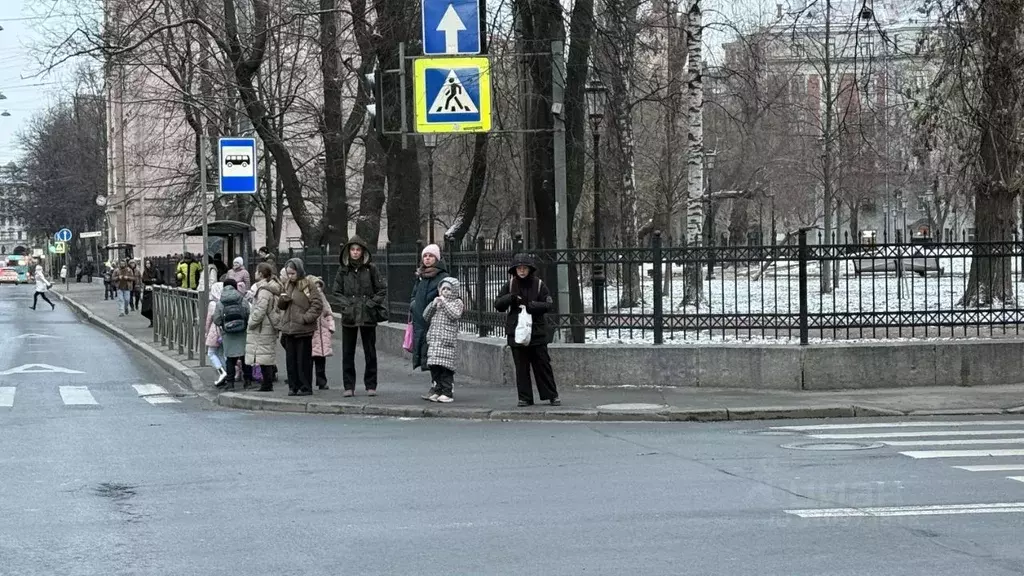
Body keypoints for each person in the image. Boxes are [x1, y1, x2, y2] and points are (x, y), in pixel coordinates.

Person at [493, 253, 560, 407]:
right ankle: (525, 397)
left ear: (530, 269)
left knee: (542, 365)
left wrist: (533, 306)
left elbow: (549, 304)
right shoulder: (510, 285)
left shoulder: (539, 284)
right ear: (514, 270)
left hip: (536, 331)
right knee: (521, 368)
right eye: (519, 268)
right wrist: (510, 298)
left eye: (524, 268)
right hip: (516, 332)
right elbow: (498, 305)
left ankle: (551, 395)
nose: (522, 271)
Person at [332, 236, 388, 397]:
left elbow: (381, 290)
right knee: (347, 352)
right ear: (348, 251)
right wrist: (347, 305)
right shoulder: (343, 270)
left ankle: (371, 385)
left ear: (362, 251)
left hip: (367, 315)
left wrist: (370, 304)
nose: (355, 253)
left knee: (370, 351)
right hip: (349, 316)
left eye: (358, 250)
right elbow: (336, 291)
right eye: (353, 249)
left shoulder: (371, 269)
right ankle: (348, 386)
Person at [277, 258, 323, 396]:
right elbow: (281, 306)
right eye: (288, 273)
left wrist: (305, 318)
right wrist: (282, 301)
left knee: (303, 361)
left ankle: (305, 386)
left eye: (292, 273)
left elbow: (317, 305)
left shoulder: (308, 284)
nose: (290, 276)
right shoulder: (288, 285)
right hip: (289, 328)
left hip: (303, 329)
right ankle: (293, 386)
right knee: (290, 361)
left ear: (299, 271)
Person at [421, 277, 464, 403]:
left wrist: (444, 303)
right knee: (435, 368)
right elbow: (425, 316)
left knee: (446, 368)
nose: (445, 291)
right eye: (443, 288)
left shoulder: (456, 303)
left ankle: (447, 391)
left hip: (446, 341)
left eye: (449, 289)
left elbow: (455, 315)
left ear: (454, 291)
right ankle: (437, 389)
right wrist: (433, 305)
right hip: (434, 340)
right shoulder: (437, 302)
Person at [410, 243, 448, 379]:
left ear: (437, 259)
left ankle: (444, 385)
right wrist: (414, 305)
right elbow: (414, 295)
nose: (427, 259)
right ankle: (435, 385)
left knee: (438, 356)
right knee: (428, 356)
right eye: (425, 256)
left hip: (435, 322)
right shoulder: (421, 276)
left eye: (431, 256)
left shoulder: (442, 277)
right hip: (421, 321)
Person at [246, 263, 281, 392]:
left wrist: (251, 322)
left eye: (256, 271)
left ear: (261, 274)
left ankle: (267, 384)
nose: (254, 273)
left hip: (263, 327)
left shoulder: (264, 290)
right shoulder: (268, 288)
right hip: (267, 326)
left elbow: (260, 309)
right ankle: (267, 383)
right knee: (265, 355)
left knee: (264, 356)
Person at [214, 278, 252, 390]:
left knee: (230, 359)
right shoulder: (241, 299)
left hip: (228, 334)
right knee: (245, 357)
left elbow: (216, 319)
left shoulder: (220, 302)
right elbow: (248, 313)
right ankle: (248, 381)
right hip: (242, 332)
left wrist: (225, 325)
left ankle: (230, 383)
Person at [311, 277, 336, 390]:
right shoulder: (308, 298)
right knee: (309, 359)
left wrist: (330, 326)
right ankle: (308, 381)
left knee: (320, 358)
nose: (318, 289)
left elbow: (328, 311)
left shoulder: (322, 297)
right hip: (312, 331)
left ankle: (321, 381)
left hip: (322, 331)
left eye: (319, 286)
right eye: (316, 286)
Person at [204, 281, 228, 385]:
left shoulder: (213, 304)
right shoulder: (225, 301)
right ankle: (226, 372)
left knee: (211, 353)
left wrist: (206, 331)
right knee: (221, 353)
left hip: (215, 330)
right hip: (224, 331)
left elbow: (209, 319)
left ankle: (221, 371)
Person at [141, 260, 161, 327]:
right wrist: (151, 280)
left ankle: (153, 321)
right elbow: (144, 280)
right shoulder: (145, 271)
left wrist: (153, 280)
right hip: (147, 290)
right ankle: (151, 319)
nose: (147, 265)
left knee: (151, 307)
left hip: (154, 291)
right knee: (145, 309)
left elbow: (159, 280)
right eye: (146, 263)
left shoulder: (156, 270)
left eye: (148, 263)